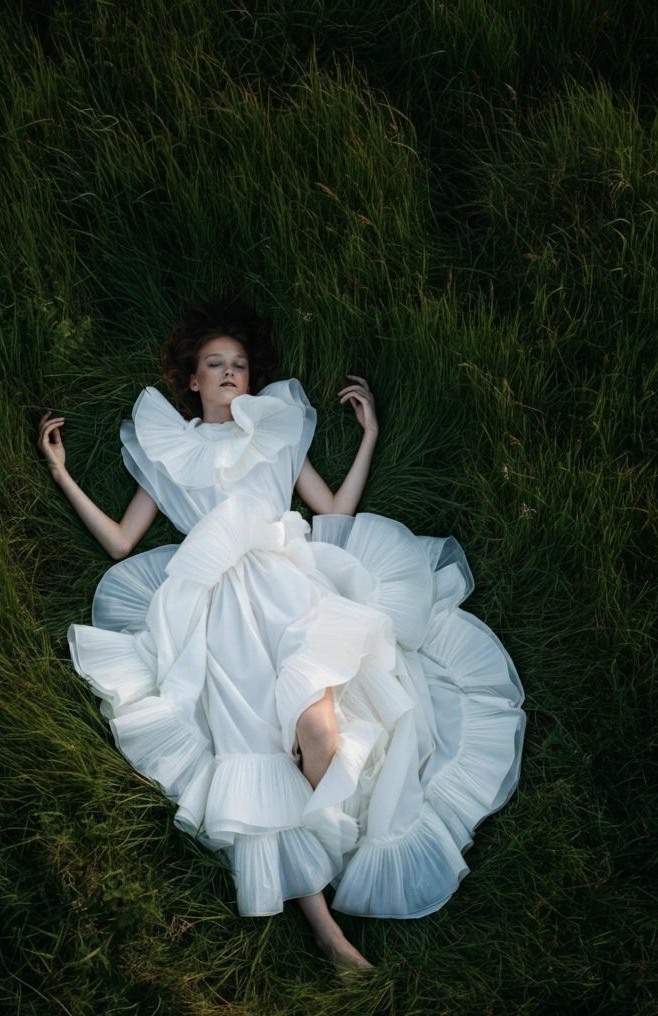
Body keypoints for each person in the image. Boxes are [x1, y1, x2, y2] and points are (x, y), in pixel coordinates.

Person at [38, 301, 525, 975]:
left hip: (292, 589)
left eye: (238, 364)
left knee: (326, 732)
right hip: (222, 616)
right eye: (215, 365)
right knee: (263, 758)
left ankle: (344, 838)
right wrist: (62, 474)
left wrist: (370, 437)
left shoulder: (273, 434)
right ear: (192, 381)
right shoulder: (169, 452)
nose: (229, 373)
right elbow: (123, 543)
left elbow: (333, 511)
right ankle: (327, 928)